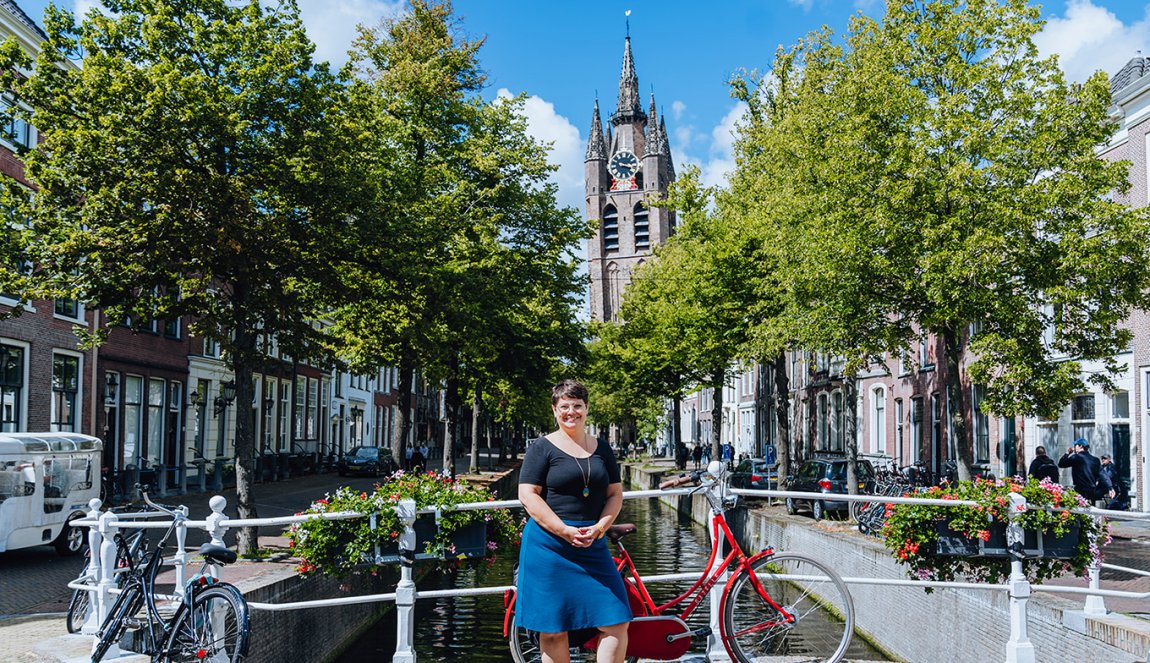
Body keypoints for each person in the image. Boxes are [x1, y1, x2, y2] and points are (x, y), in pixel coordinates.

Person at [516, 379, 630, 662]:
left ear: (586, 408)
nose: (571, 412)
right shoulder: (541, 448)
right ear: (554, 410)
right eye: (564, 406)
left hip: (592, 541)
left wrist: (601, 526)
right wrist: (564, 530)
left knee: (616, 621)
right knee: (553, 630)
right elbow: (528, 495)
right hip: (548, 545)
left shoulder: (602, 449)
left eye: (577, 406)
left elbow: (615, 494)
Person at [1058, 439, 1114, 506]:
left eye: (1075, 445)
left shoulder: (1076, 457)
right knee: (1090, 512)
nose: (1074, 447)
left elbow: (1061, 464)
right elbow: (1103, 474)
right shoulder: (1095, 460)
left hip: (1080, 490)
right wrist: (1110, 487)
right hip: (1092, 491)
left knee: (1080, 512)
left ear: (1081, 446)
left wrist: (1067, 453)